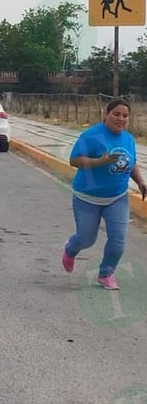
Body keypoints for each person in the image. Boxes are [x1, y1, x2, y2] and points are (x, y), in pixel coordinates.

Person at [62, 98, 147, 289]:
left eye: (125, 116)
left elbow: (131, 162)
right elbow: (74, 161)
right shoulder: (91, 136)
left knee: (118, 240)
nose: (121, 119)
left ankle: (106, 274)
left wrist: (140, 181)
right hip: (87, 197)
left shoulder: (128, 139)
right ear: (106, 114)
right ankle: (70, 249)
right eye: (116, 114)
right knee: (86, 239)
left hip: (117, 197)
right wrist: (100, 162)